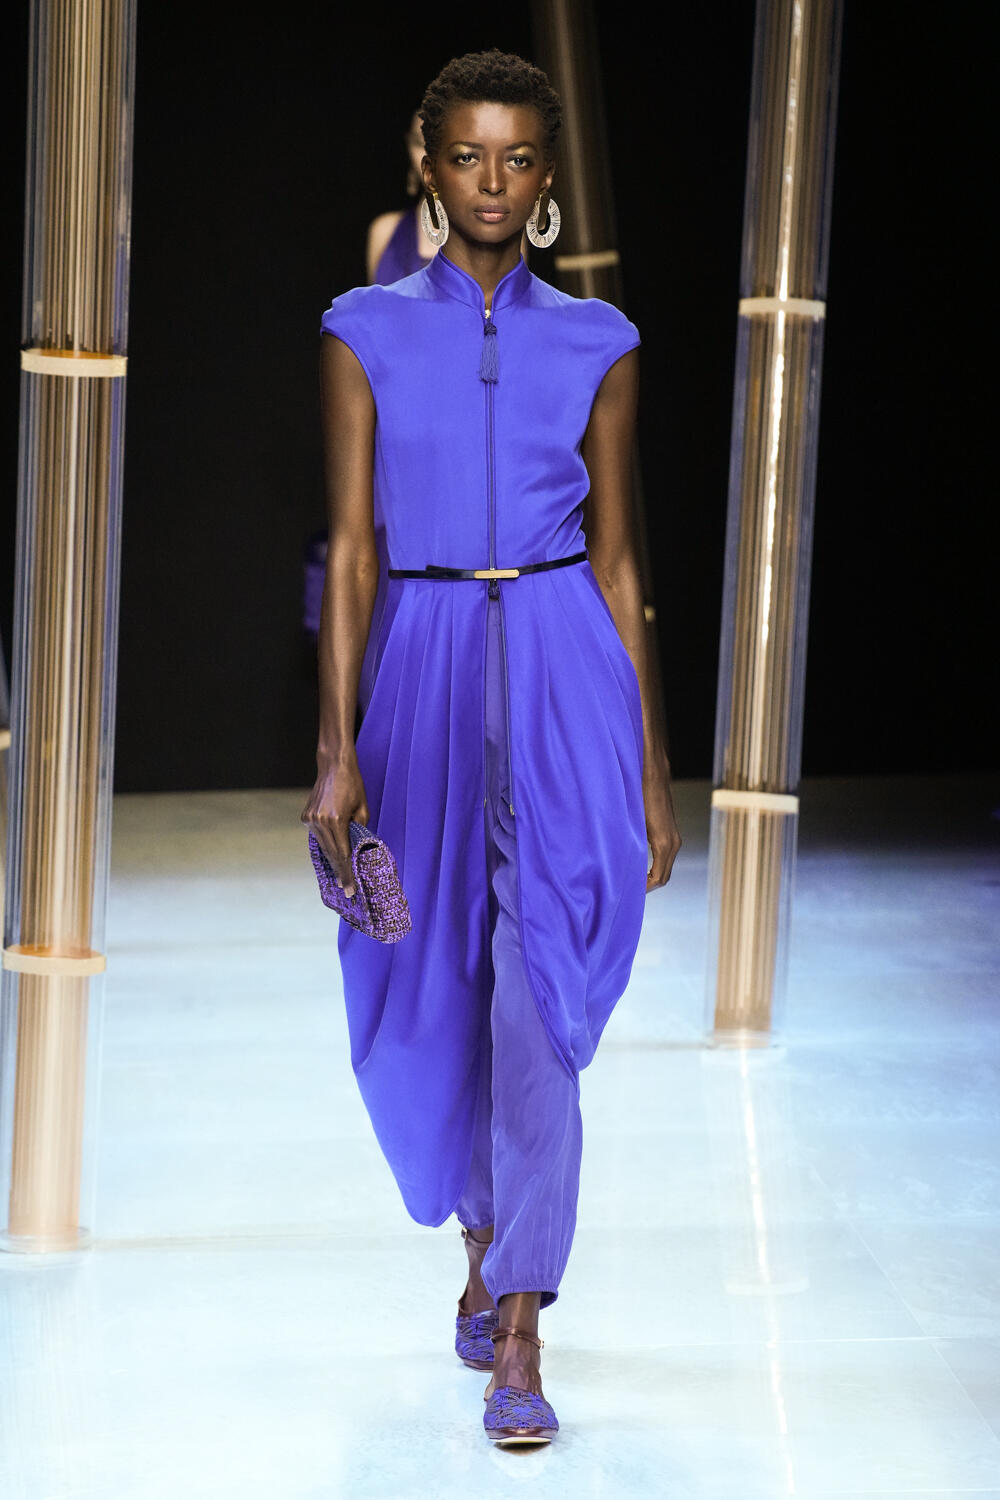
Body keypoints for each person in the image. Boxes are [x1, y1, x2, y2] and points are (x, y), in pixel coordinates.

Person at [301, 47, 681, 1447]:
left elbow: (623, 562)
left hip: (566, 664)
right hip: (423, 660)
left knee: (539, 998)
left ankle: (520, 1320)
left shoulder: (600, 340)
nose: (494, 183)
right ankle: (479, 1232)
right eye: (468, 156)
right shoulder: (363, 330)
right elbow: (351, 551)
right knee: (430, 986)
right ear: (426, 161)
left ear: (546, 176)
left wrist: (650, 766)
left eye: (519, 159)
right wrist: (335, 747)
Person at [365, 111, 439, 285]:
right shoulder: (386, 232)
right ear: (408, 145)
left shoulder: (496, 236)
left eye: (444, 144)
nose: (431, 158)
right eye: (421, 143)